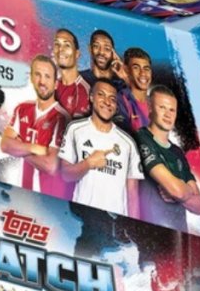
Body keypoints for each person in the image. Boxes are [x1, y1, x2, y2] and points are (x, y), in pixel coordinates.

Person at [45, 79, 143, 217]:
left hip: (116, 220)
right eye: (101, 95)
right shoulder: (75, 129)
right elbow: (66, 174)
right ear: (91, 97)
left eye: (112, 99)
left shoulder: (128, 143)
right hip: (85, 216)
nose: (107, 102)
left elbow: (133, 195)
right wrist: (89, 163)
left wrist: (134, 225)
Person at [0, 55, 73, 200]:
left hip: (47, 199)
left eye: (47, 76)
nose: (42, 81)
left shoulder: (61, 118)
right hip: (21, 194)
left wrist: (19, 148)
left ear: (56, 84)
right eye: (38, 75)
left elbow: (50, 165)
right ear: (32, 78)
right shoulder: (22, 109)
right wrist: (35, 148)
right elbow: (4, 145)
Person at [135, 85, 200, 230]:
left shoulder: (177, 152)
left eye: (172, 110)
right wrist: (184, 191)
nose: (168, 115)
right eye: (162, 107)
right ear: (150, 107)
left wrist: (179, 192)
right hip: (152, 232)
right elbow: (177, 191)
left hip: (180, 235)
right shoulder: (141, 138)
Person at [51, 28, 91, 118]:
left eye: (67, 45)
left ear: (77, 54)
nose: (60, 49)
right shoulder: (51, 85)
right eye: (57, 44)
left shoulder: (83, 91)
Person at [116, 47, 153, 133]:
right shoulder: (120, 100)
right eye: (136, 68)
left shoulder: (156, 103)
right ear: (126, 70)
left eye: (146, 68)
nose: (143, 73)